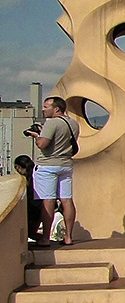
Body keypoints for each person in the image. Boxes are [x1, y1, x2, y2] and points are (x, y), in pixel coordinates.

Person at [29, 97, 79, 246]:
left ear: (56, 109)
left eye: (46, 106)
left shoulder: (52, 123)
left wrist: (37, 136)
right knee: (66, 199)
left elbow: (43, 144)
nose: (43, 109)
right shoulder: (73, 123)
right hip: (66, 164)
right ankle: (68, 236)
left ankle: (45, 238)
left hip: (48, 165)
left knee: (48, 200)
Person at [13, 156, 43, 244]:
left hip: (30, 211)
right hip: (39, 209)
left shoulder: (22, 180)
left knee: (27, 233)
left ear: (18, 167)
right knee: (30, 233)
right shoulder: (37, 176)